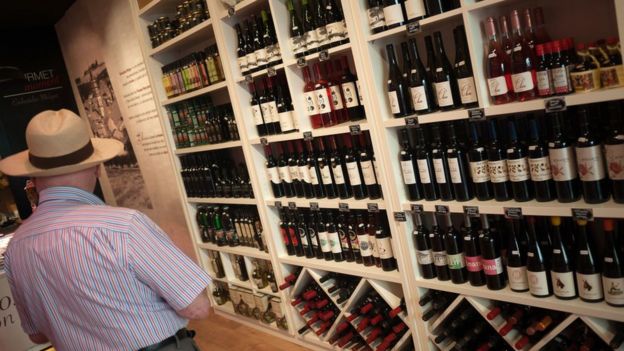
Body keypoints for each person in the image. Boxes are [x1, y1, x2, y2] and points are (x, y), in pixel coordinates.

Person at [0, 109, 212, 351]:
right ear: (97, 168)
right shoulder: (123, 227)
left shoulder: (17, 247)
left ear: (33, 178)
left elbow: (37, 337)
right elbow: (197, 307)